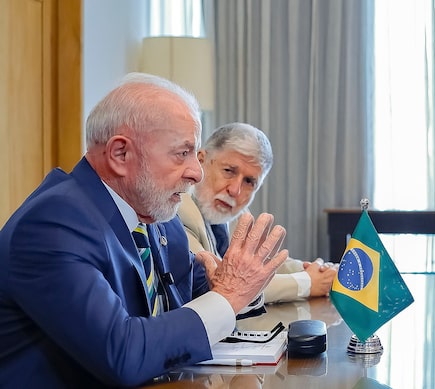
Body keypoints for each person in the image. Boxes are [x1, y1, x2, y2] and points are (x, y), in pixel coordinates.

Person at [0, 72, 289, 387]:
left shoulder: (156, 217)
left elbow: (194, 298)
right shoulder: (53, 224)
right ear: (121, 154)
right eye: (182, 153)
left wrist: (227, 286)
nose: (196, 172)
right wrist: (228, 296)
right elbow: (124, 354)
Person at [178, 122, 337, 304]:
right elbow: (223, 284)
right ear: (201, 160)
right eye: (229, 171)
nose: (235, 190)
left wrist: (316, 271)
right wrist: (307, 282)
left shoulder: (232, 213)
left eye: (249, 181)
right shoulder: (180, 210)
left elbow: (258, 264)